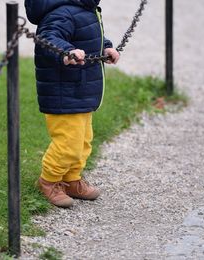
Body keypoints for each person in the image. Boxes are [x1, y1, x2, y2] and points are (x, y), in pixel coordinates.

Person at [25, 0, 120, 208]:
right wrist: (66, 52)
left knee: (83, 141)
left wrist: (106, 46)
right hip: (64, 92)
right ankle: (48, 181)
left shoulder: (85, 9)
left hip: (80, 90)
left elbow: (88, 35)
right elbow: (49, 38)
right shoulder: (61, 12)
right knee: (68, 144)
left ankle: (71, 179)